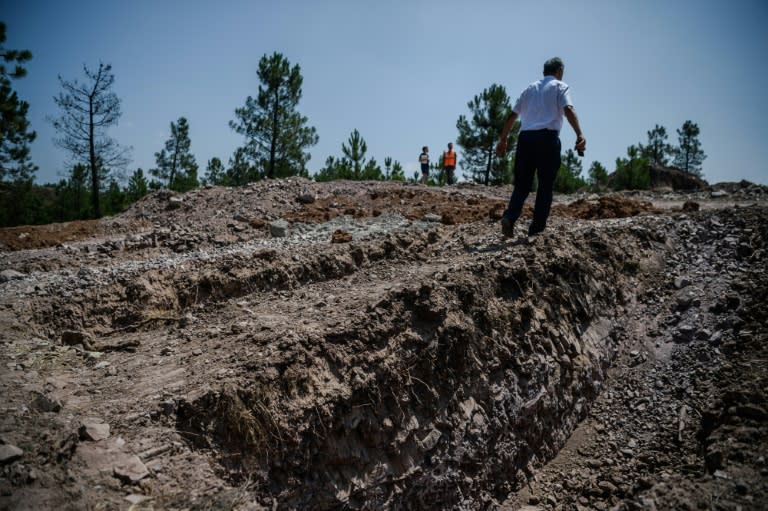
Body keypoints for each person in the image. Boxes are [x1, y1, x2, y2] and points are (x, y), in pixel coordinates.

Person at [496, 57, 585, 237]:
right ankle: (536, 230)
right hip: (547, 138)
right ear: (559, 71)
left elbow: (512, 115)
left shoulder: (529, 89)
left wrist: (503, 139)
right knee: (545, 185)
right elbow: (568, 109)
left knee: (522, 184)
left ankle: (510, 217)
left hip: (525, 139)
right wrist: (579, 134)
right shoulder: (560, 87)